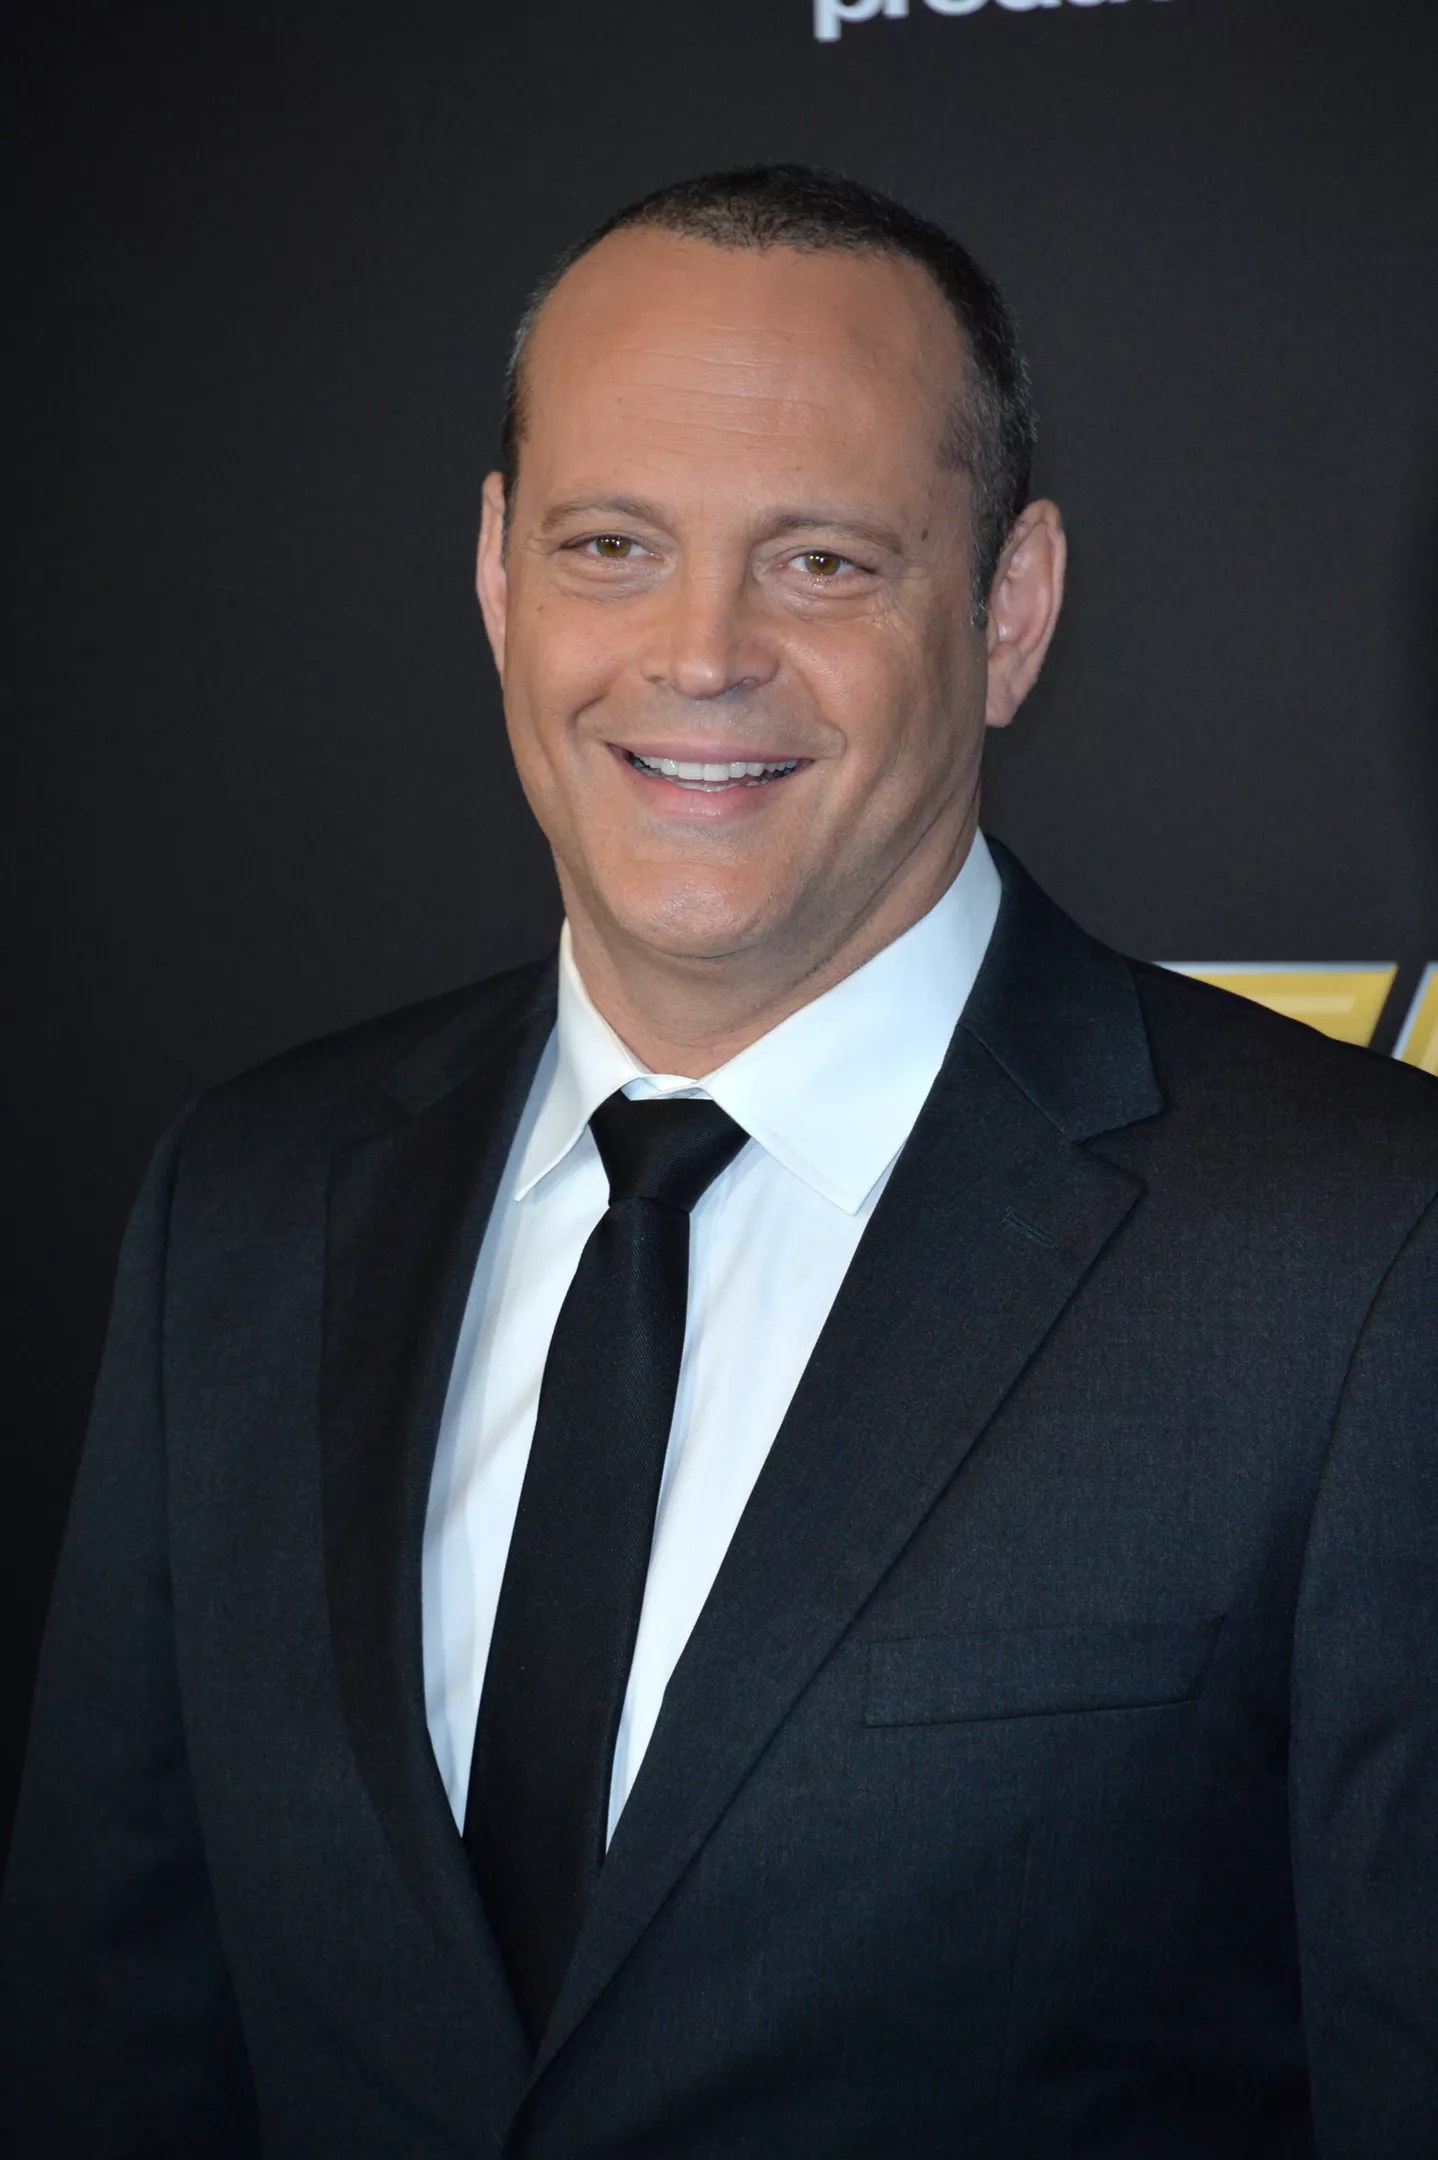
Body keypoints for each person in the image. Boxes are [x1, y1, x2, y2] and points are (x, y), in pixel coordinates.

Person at [3, 162, 1436, 2159]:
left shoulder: (1361, 1254)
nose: (697, 652)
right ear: (498, 577)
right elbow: (115, 2038)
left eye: (820, 562)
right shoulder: (248, 1202)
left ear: (1007, 611)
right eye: (610, 545)